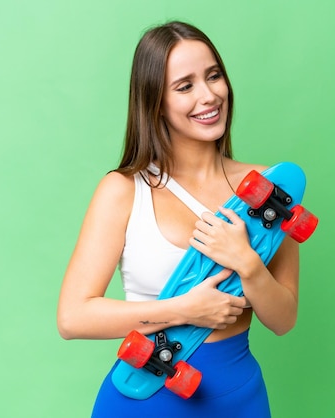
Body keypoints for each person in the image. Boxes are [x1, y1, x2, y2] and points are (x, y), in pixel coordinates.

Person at [57, 21, 299, 417]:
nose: (209, 96)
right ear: (156, 103)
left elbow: (284, 319)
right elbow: (72, 317)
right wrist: (185, 310)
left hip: (240, 397)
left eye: (214, 76)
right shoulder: (124, 190)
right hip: (147, 397)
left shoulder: (269, 190)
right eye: (185, 86)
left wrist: (248, 264)